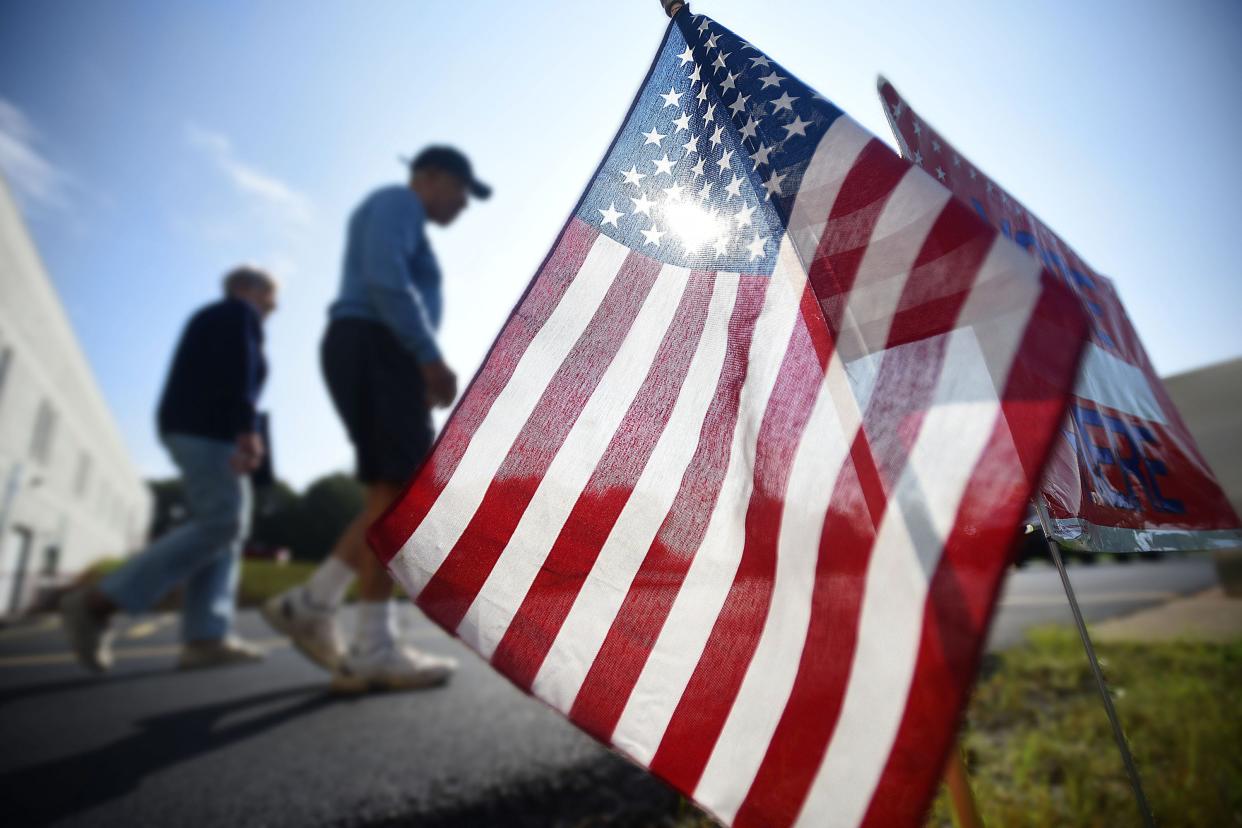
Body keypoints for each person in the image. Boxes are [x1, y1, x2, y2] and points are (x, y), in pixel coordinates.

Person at [263, 146, 490, 692]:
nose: (464, 203)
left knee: (389, 495)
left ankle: (314, 604)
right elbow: (385, 276)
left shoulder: (407, 217)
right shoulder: (398, 202)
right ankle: (371, 644)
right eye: (461, 189)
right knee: (401, 496)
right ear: (430, 177)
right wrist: (427, 357)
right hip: (379, 345)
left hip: (376, 349)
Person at [61, 266, 278, 671]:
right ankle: (95, 604)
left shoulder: (219, 318)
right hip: (208, 431)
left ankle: (205, 637)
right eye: (270, 293)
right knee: (222, 523)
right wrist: (247, 428)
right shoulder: (238, 313)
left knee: (227, 530)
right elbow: (240, 370)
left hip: (206, 431)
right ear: (246, 287)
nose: (274, 304)